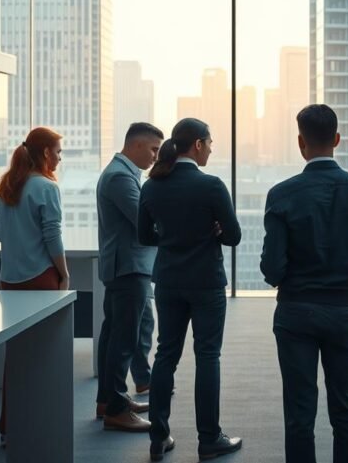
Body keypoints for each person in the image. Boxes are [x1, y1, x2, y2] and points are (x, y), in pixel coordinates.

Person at [260, 105, 348, 463]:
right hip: (345, 311)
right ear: (337, 139)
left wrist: (290, 279)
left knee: (299, 414)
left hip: (295, 312)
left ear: (301, 142)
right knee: (346, 411)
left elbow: (272, 268)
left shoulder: (282, 194)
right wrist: (345, 276)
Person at [138, 118, 242, 462]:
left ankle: (158, 437)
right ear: (197, 144)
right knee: (207, 355)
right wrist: (213, 231)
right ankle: (209, 439)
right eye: (209, 143)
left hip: (168, 281)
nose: (211, 149)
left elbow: (144, 236)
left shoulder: (152, 186)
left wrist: (171, 236)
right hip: (206, 282)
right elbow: (233, 236)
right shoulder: (211, 186)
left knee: (165, 355)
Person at [0, 127, 68, 446]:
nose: (60, 158)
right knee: (45, 354)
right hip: (41, 277)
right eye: (58, 152)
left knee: (17, 356)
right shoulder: (46, 187)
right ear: (46, 153)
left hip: (9, 279)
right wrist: (64, 273)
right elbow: (52, 236)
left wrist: (18, 233)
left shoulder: (9, 184)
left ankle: (9, 428)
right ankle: (39, 424)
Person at [95, 122, 163, 432]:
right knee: (123, 339)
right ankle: (117, 409)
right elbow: (144, 222)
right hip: (129, 267)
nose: (155, 156)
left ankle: (109, 400)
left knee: (114, 336)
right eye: (153, 149)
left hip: (124, 266)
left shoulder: (120, 172)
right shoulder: (121, 177)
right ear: (136, 145)